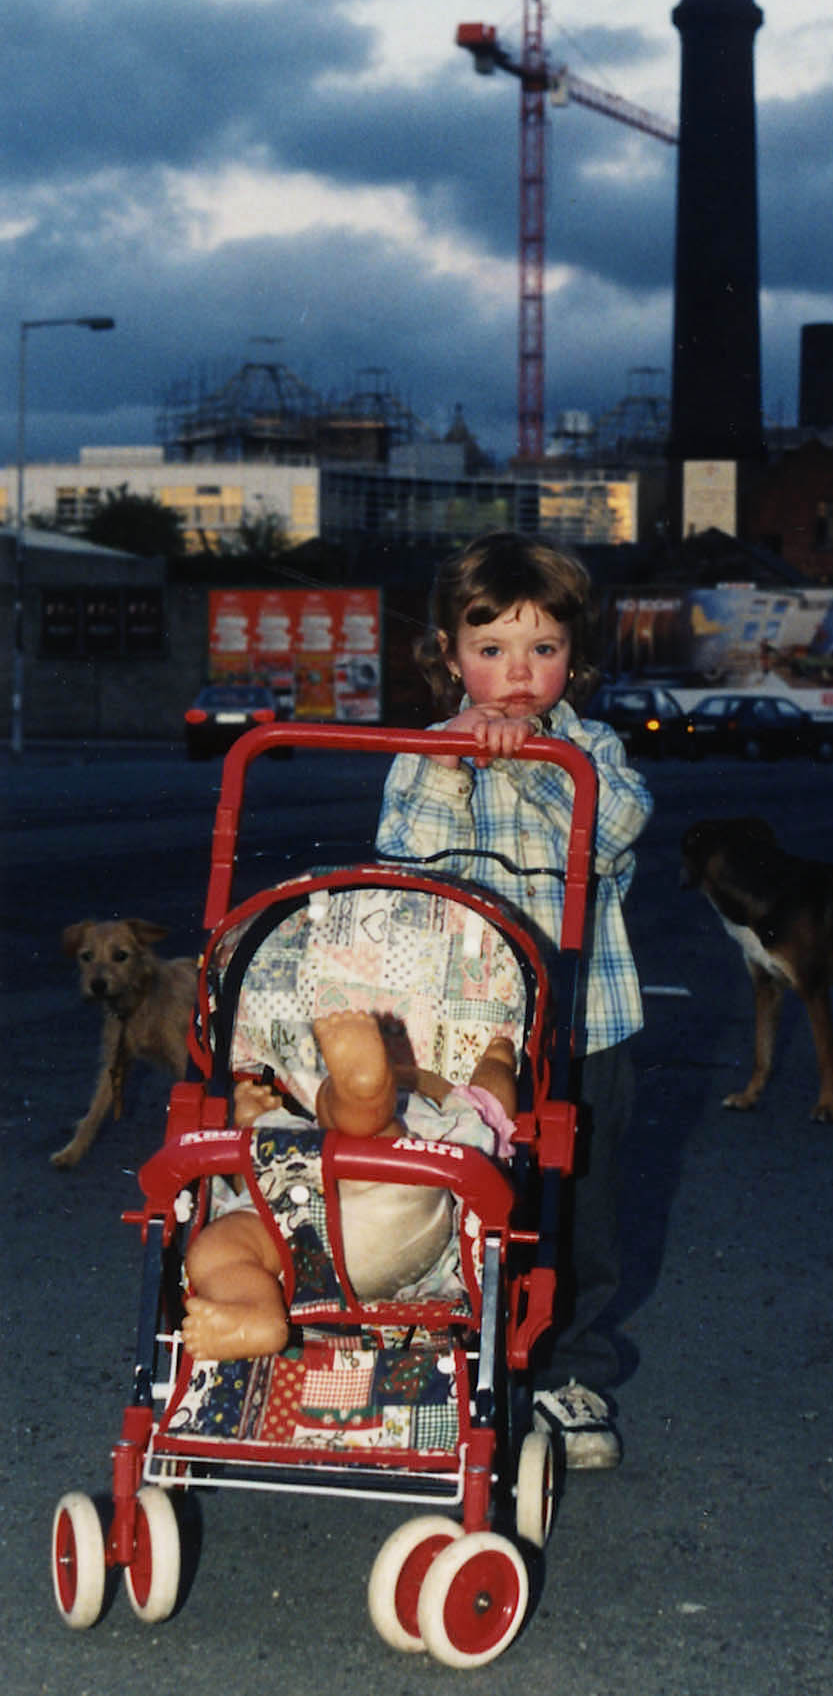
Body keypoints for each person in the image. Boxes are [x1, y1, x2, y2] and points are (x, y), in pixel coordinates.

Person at [376, 532, 653, 1470]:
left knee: (582, 1204)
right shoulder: (425, 754)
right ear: (450, 657)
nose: (517, 674)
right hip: (465, 1030)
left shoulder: (595, 750)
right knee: (459, 1189)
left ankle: (572, 1372)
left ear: (574, 658)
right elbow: (404, 865)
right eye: (490, 651)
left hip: (585, 1025)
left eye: (542, 649)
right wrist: (454, 768)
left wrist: (535, 762)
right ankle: (449, 1357)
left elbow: (612, 833)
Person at [181, 1011, 519, 1362]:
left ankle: (362, 1099)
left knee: (219, 1245)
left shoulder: (439, 1114)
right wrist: (498, 1059)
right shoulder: (460, 1116)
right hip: (350, 1226)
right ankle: (254, 1313)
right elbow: (492, 1105)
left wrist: (252, 1120)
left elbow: (254, 1160)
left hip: (350, 1217)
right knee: (223, 1241)